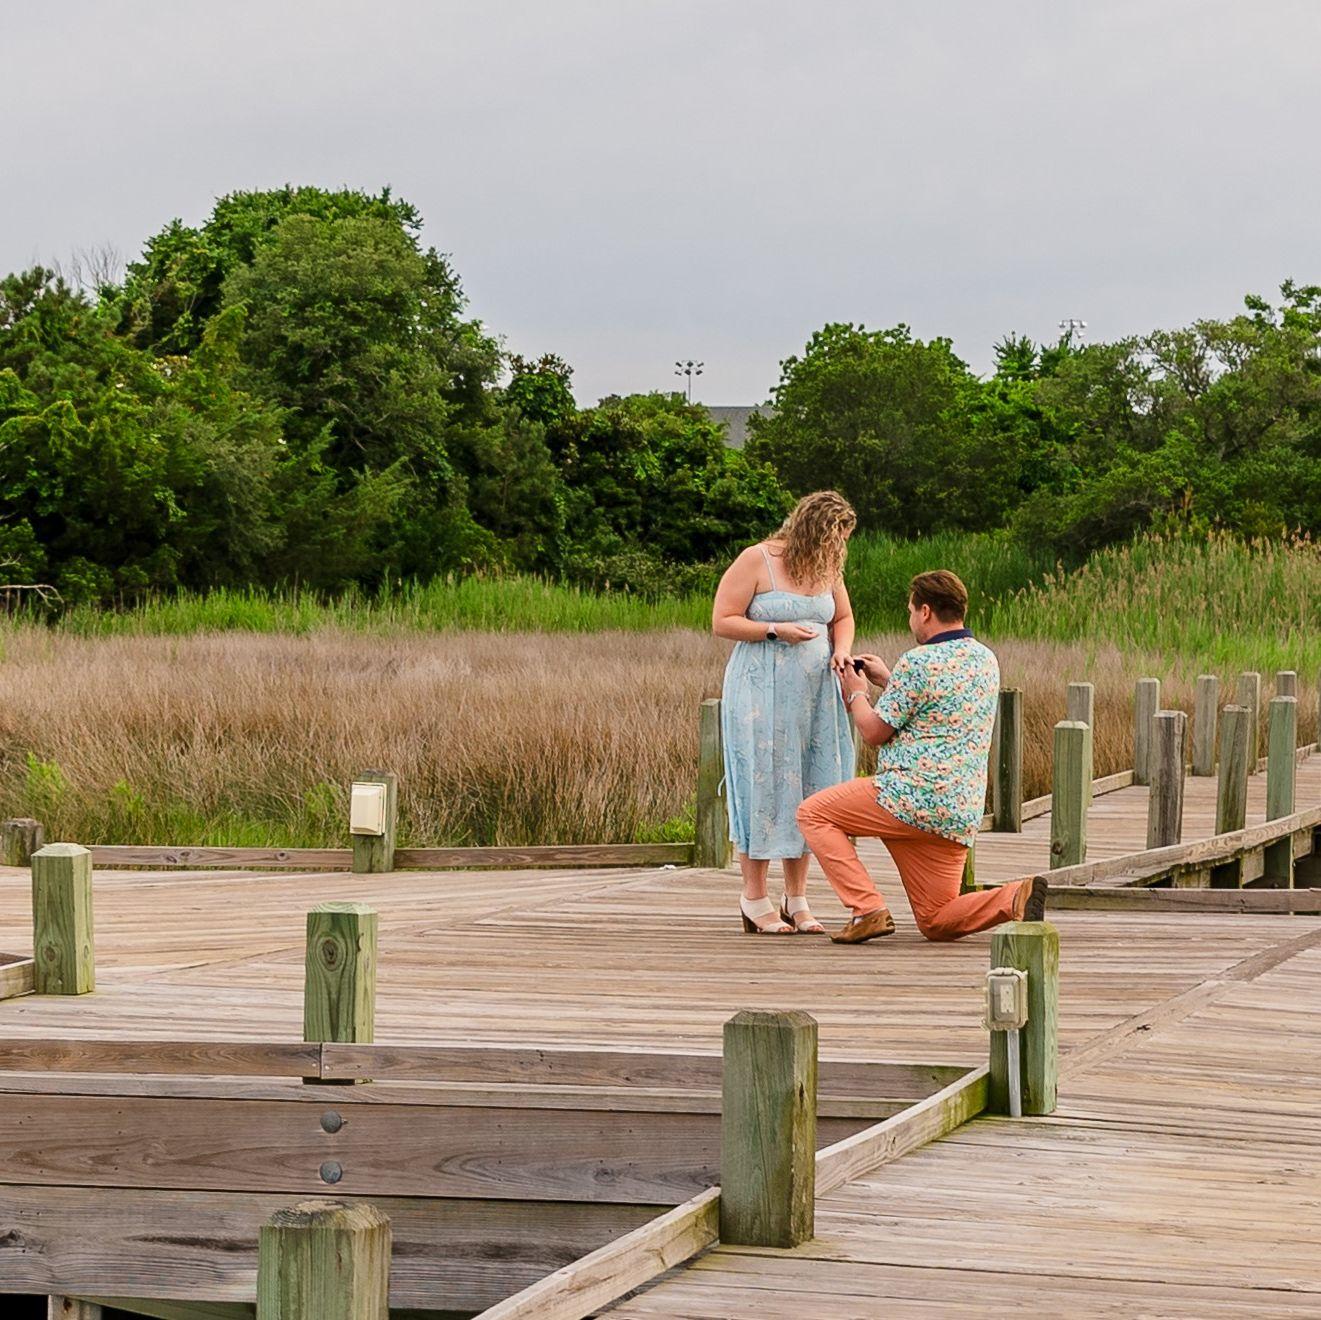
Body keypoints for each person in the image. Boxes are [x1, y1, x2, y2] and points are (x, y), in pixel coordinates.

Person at [797, 569, 1047, 943]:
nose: (911, 618)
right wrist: (890, 680)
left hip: (908, 798)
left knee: (813, 813)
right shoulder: (985, 659)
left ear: (926, 611)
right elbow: (937, 702)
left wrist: (856, 692)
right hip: (957, 810)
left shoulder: (918, 662)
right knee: (936, 919)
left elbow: (874, 732)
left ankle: (866, 908)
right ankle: (1013, 897)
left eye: (911, 611)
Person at [713, 491, 859, 934]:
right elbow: (723, 620)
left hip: (816, 695)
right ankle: (753, 898)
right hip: (761, 692)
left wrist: (843, 652)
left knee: (812, 787)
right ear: (815, 530)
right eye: (837, 536)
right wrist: (775, 630)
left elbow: (844, 618)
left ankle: (797, 897)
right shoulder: (756, 560)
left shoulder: (828, 567)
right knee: (763, 784)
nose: (840, 547)